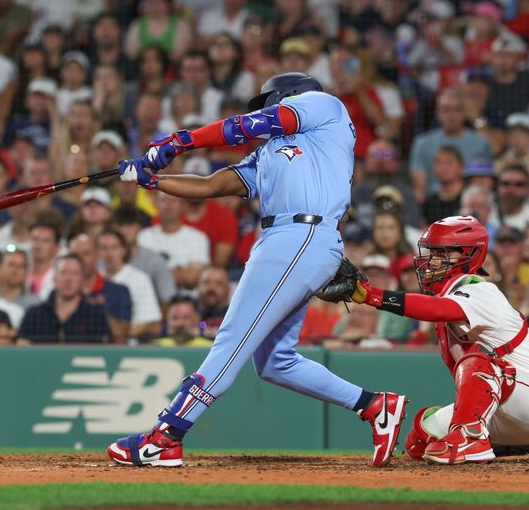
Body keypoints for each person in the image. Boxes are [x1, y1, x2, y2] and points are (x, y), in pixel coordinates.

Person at [111, 72, 407, 468]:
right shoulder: (272, 152)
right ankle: (374, 405)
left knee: (231, 340)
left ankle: (167, 436)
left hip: (302, 232)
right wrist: (154, 181)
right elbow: (215, 184)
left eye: (269, 102)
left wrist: (181, 140)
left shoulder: (324, 107)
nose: (265, 109)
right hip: (287, 239)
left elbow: (248, 125)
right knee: (274, 361)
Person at [348, 216, 529, 465]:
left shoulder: (481, 290)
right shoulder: (454, 294)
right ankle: (510, 443)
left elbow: (438, 309)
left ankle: (472, 440)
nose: (430, 262)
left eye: (442, 254)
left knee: (478, 364)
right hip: (511, 410)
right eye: (432, 253)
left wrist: (373, 295)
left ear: (469, 255)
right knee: (421, 434)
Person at [18, 254, 111, 344]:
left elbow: (104, 350)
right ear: (54, 278)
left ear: (82, 280)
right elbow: (22, 350)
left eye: (75, 273)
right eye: (63, 272)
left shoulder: (95, 316)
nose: (68, 279)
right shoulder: (34, 315)